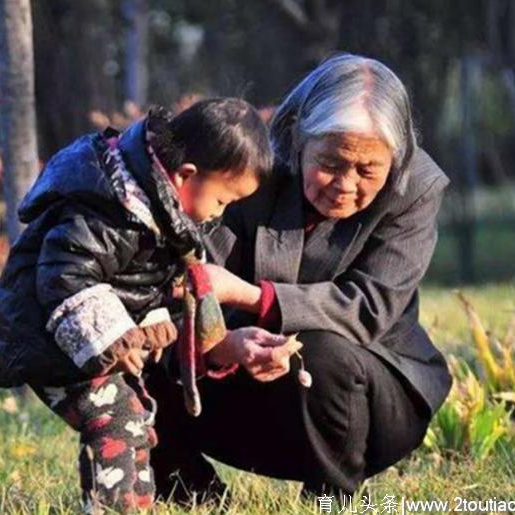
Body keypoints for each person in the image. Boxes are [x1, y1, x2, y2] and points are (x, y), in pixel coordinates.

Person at [145, 54, 453, 501]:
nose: (345, 185)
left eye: (368, 170)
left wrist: (253, 297)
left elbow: (369, 308)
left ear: (396, 158)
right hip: (235, 382)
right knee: (128, 339)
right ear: (297, 138)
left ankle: (331, 497)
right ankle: (190, 490)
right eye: (330, 162)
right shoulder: (246, 167)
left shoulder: (416, 187)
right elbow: (186, 283)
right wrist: (223, 345)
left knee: (323, 348)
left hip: (365, 401)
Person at [0, 98, 286, 513]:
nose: (219, 215)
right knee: (118, 418)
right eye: (222, 201)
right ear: (185, 176)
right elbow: (64, 276)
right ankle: (114, 507)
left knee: (137, 416)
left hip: (81, 345)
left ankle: (138, 503)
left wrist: (154, 316)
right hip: (52, 342)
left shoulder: (159, 216)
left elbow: (138, 282)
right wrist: (114, 333)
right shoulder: (112, 209)